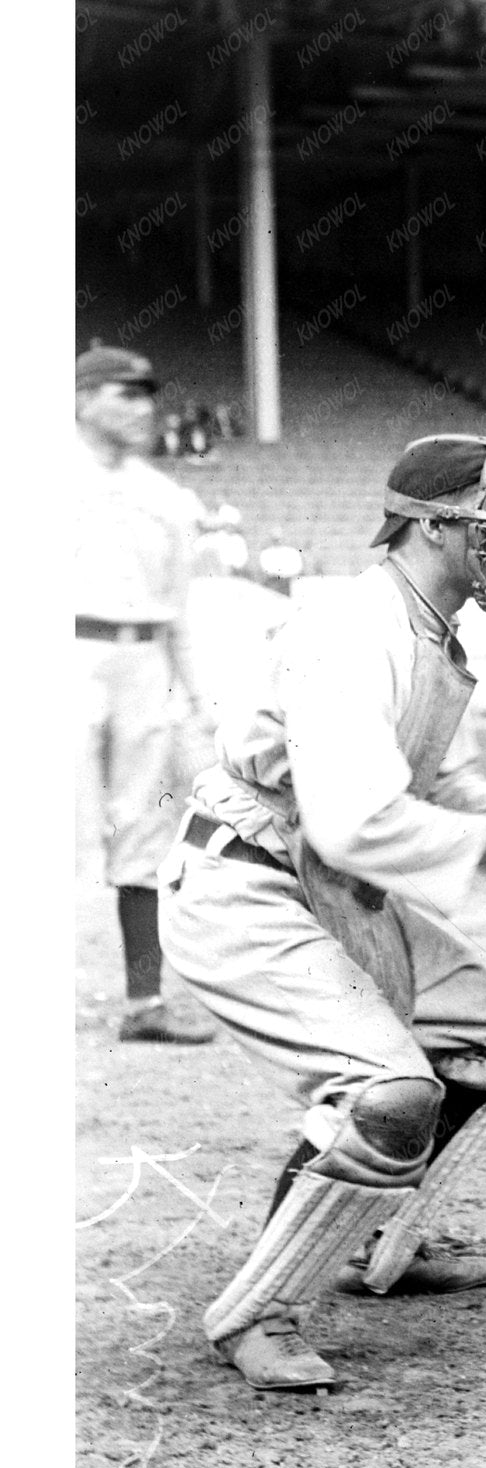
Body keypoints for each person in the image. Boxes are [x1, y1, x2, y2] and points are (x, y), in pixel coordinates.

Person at [158, 433, 486, 1390]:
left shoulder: (428, 629)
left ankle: (372, 1241)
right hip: (248, 884)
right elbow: (356, 823)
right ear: (431, 526)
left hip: (320, 878)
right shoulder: (357, 629)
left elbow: (437, 785)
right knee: (390, 1095)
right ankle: (256, 1316)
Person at [75, 344, 215, 1043]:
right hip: (63, 655)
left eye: (146, 396)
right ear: (82, 400)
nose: (142, 408)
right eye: (124, 394)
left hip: (145, 662)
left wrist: (202, 703)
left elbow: (182, 612)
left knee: (144, 831)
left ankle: (144, 1005)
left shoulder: (166, 496)